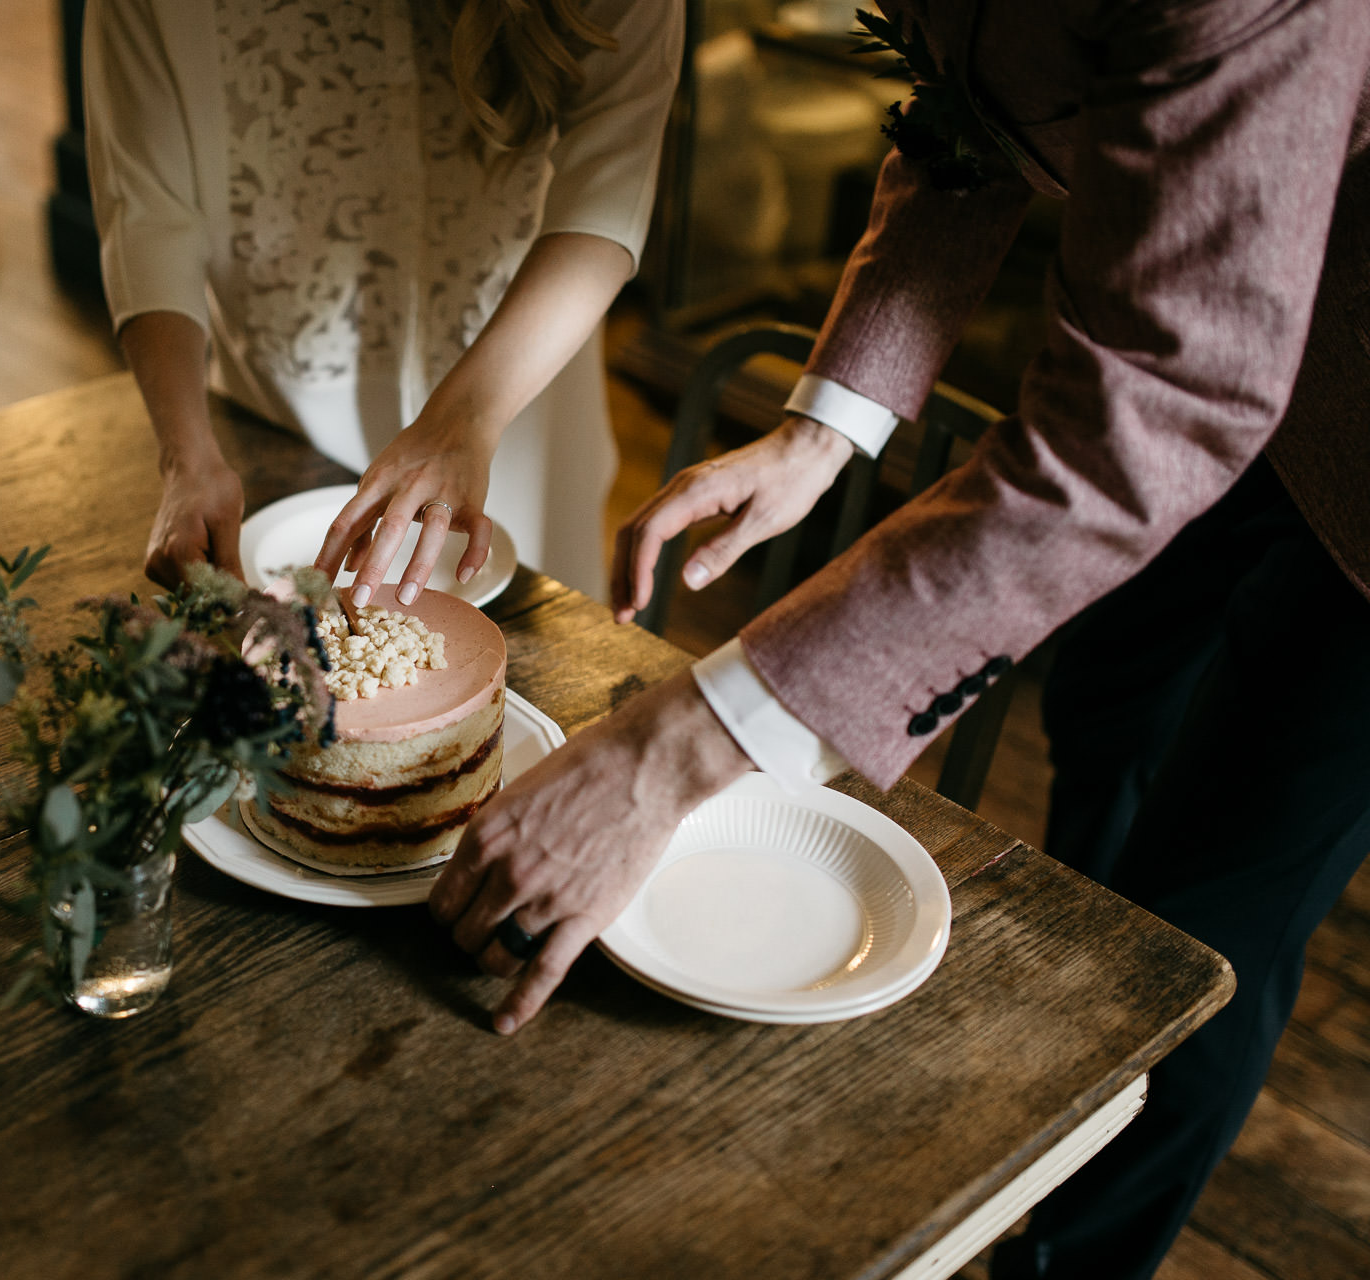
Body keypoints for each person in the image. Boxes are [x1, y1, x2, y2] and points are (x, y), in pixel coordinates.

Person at [428, 3, 1370, 1278]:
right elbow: (976, 103)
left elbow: (1161, 404)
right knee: (1104, 721)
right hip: (1213, 334)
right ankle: (1058, 1086)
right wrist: (827, 425)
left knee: (1206, 923)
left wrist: (676, 750)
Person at [82, 0, 680, 602]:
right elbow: (148, 214)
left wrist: (467, 416)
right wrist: (185, 456)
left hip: (527, 391)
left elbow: (611, 179)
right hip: (282, 429)